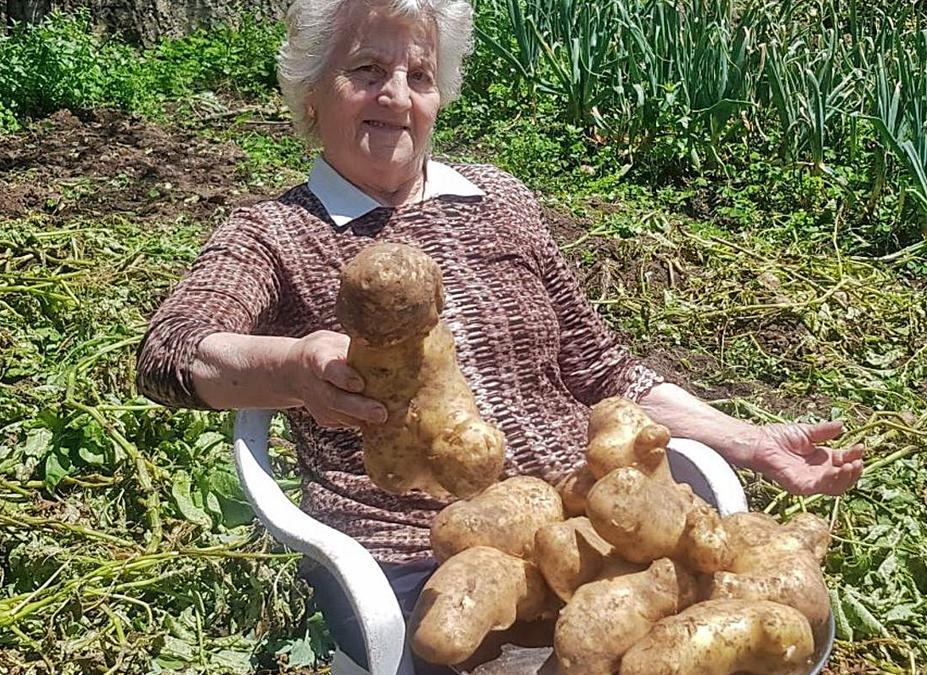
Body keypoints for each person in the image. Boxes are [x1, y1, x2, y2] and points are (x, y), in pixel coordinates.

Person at [134, 0, 864, 668]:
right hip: (422, 556)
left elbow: (603, 369)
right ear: (312, 92)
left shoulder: (501, 201)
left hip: (591, 523)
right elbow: (170, 349)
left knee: (778, 624)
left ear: (439, 97)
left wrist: (747, 439)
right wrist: (292, 366)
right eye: (366, 70)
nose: (395, 94)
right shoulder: (273, 232)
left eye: (418, 75)